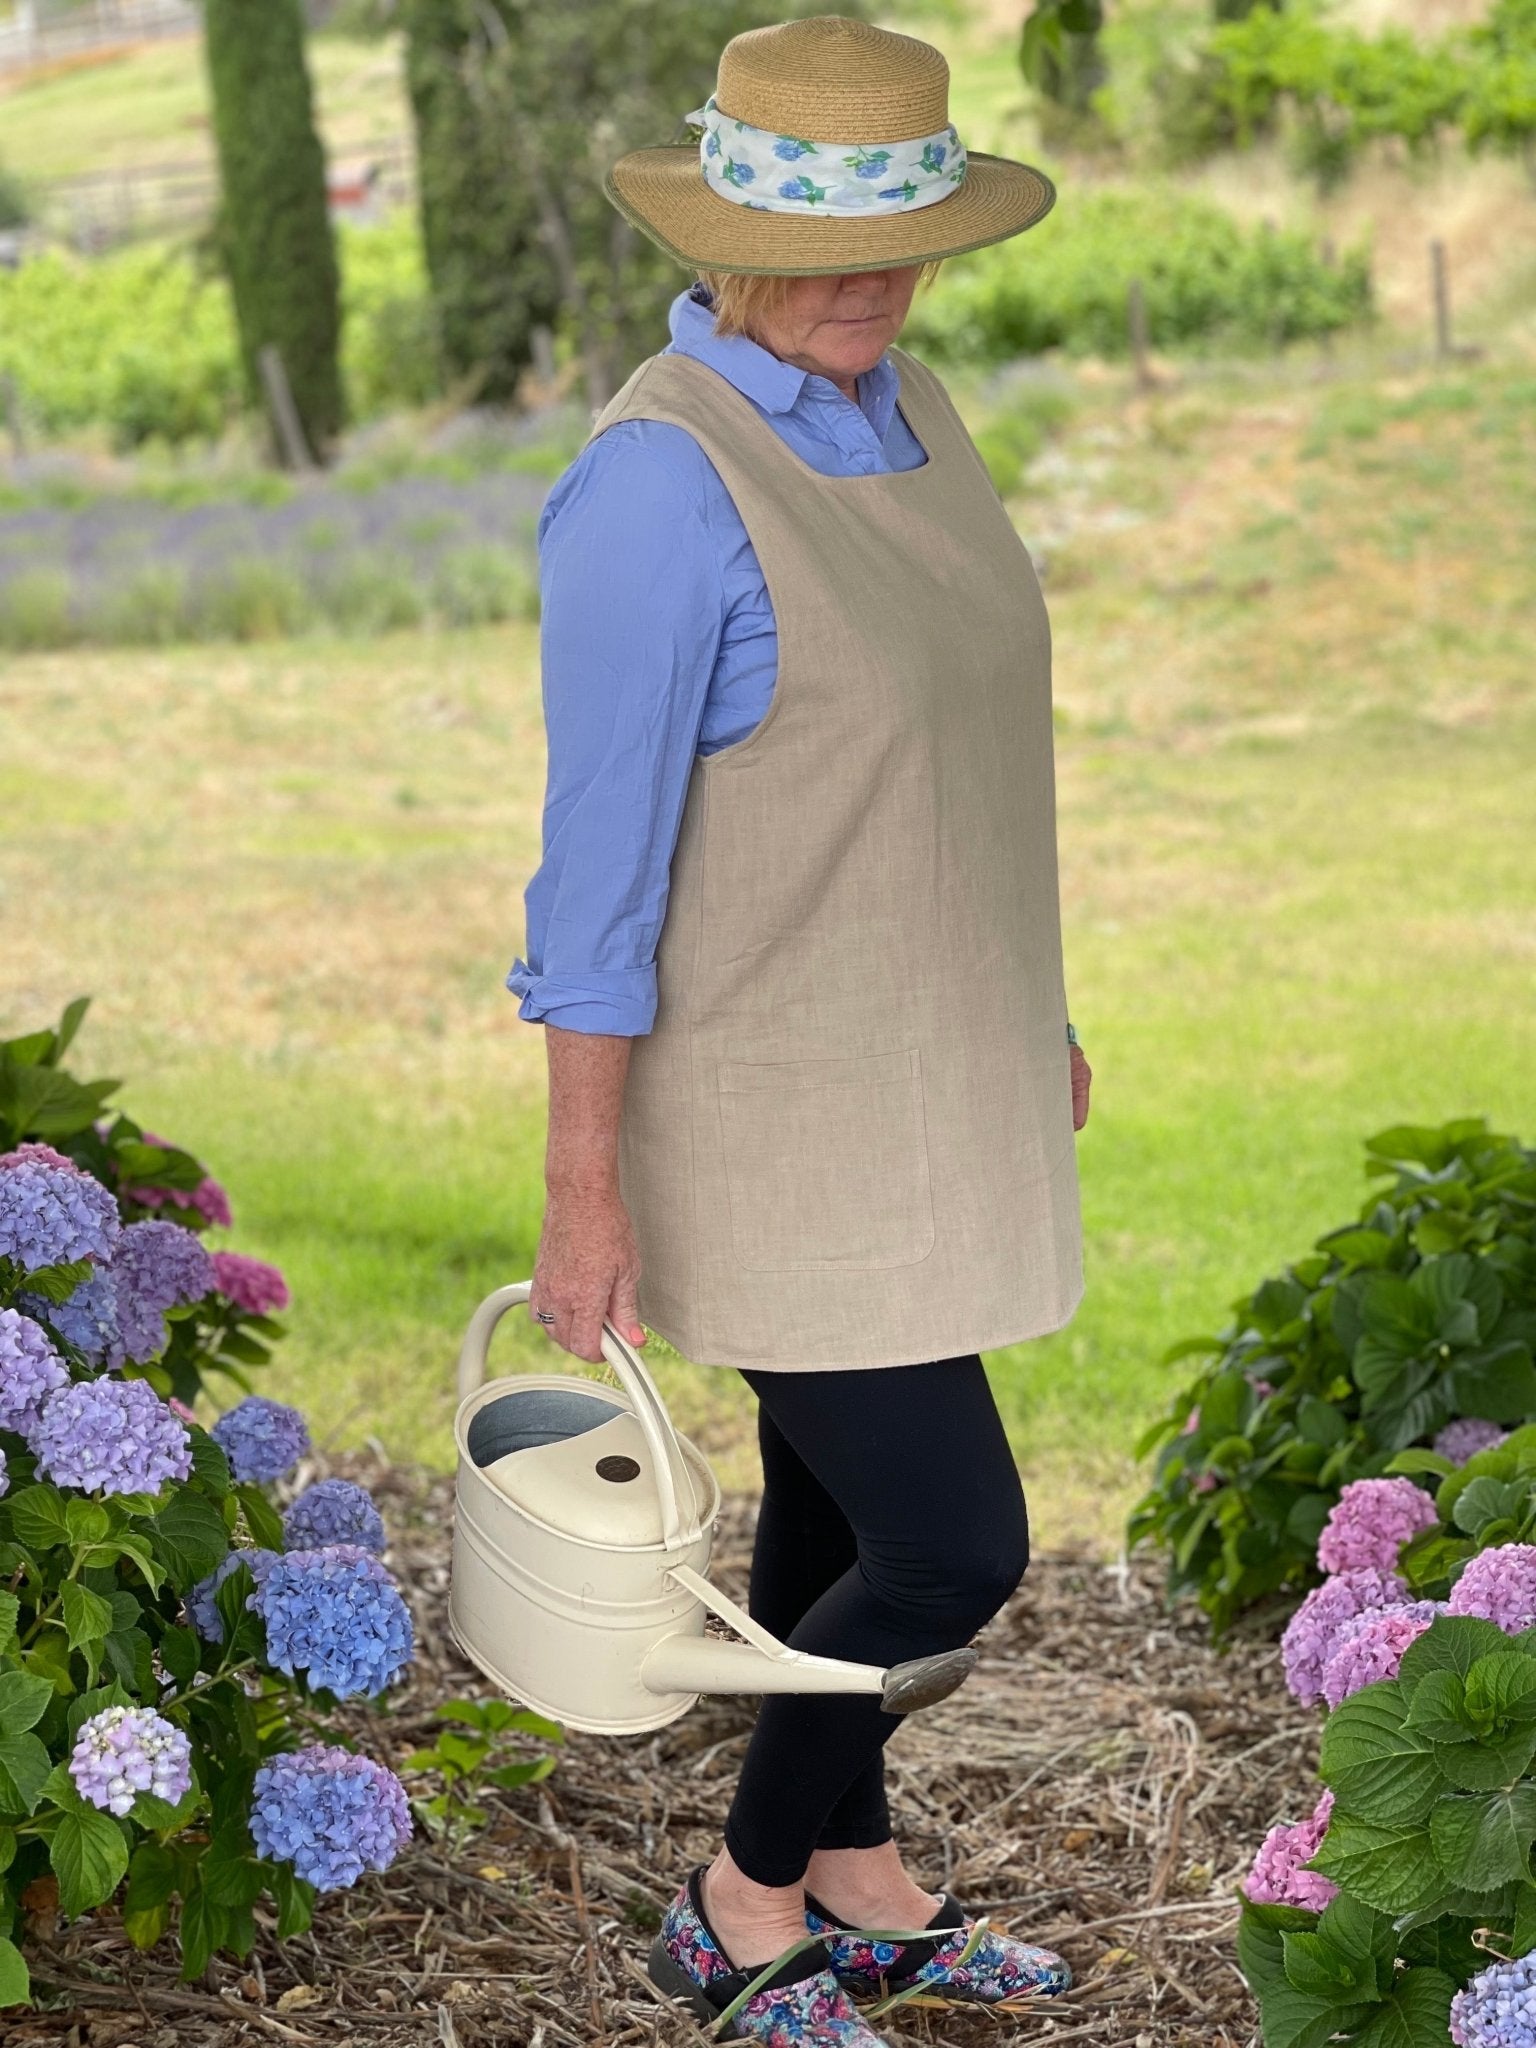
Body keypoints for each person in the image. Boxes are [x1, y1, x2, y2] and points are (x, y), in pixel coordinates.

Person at [508, 16, 1093, 2044]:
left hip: (930, 1069)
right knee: (952, 1543)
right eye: (826, 245)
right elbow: (593, 892)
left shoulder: (910, 411)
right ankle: (740, 1896)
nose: (873, 280)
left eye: (904, 238)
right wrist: (582, 1186)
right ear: (728, 239)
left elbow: (947, 764)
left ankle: (859, 1868)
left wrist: (1043, 1013)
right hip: (762, 1106)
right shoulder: (655, 489)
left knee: (836, 1512)